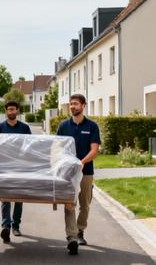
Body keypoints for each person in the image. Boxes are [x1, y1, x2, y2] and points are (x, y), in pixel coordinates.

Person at [56, 93, 100, 255]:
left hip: (86, 172)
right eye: (71, 104)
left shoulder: (92, 126)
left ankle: (80, 230)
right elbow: (57, 149)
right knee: (69, 204)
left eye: (75, 104)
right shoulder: (63, 126)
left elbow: (94, 150)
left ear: (83, 106)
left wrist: (81, 163)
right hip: (68, 174)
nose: (72, 106)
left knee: (85, 205)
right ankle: (72, 237)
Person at [0, 101, 32, 243]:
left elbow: (30, 147)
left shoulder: (24, 128)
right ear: (6, 112)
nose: (11, 112)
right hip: (4, 167)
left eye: (13, 109)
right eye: (9, 109)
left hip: (21, 167)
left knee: (19, 199)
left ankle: (16, 225)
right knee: (5, 198)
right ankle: (6, 226)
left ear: (17, 111)